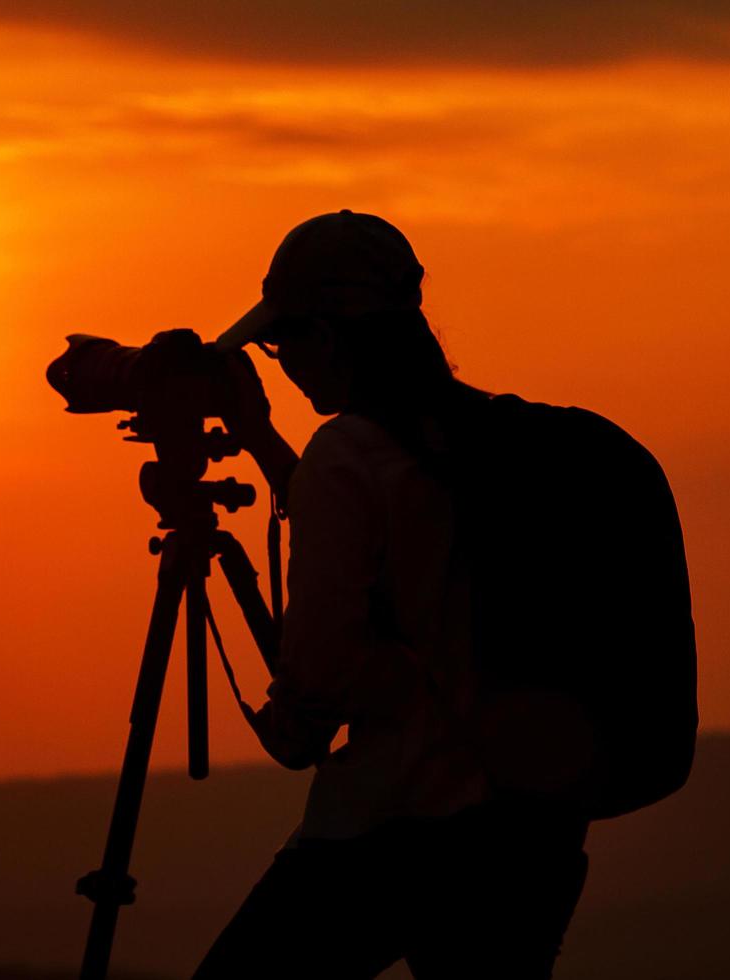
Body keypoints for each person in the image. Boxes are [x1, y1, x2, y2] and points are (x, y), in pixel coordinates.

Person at [193, 210, 590, 978]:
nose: (281, 362)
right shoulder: (474, 439)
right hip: (524, 831)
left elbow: (318, 675)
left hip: (399, 827)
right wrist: (259, 436)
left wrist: (295, 721)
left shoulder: (348, 455)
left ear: (331, 338)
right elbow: (385, 547)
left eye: (282, 343)